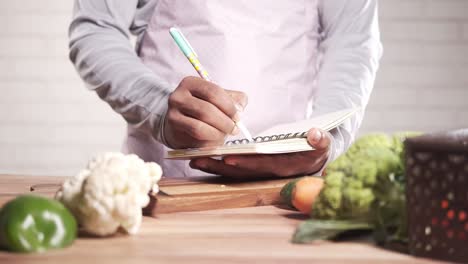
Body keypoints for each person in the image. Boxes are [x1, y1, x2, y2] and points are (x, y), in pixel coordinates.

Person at [69, 0, 382, 178]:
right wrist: (159, 109)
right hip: (166, 180)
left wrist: (327, 142)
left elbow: (353, 42)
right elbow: (96, 29)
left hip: (287, 183)